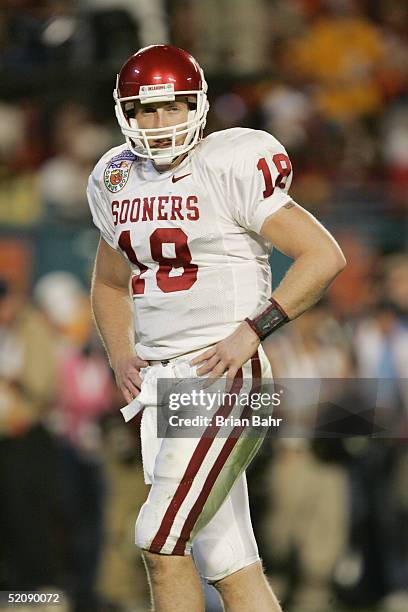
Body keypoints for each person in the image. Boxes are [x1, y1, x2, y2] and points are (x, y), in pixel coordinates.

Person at [87, 44, 346, 612]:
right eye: (144, 111)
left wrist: (255, 329)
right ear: (124, 114)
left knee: (160, 541)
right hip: (164, 385)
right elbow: (109, 284)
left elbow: (323, 256)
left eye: (172, 108)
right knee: (229, 564)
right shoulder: (116, 178)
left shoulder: (226, 164)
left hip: (223, 374)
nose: (159, 123)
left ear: (197, 107)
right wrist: (120, 356)